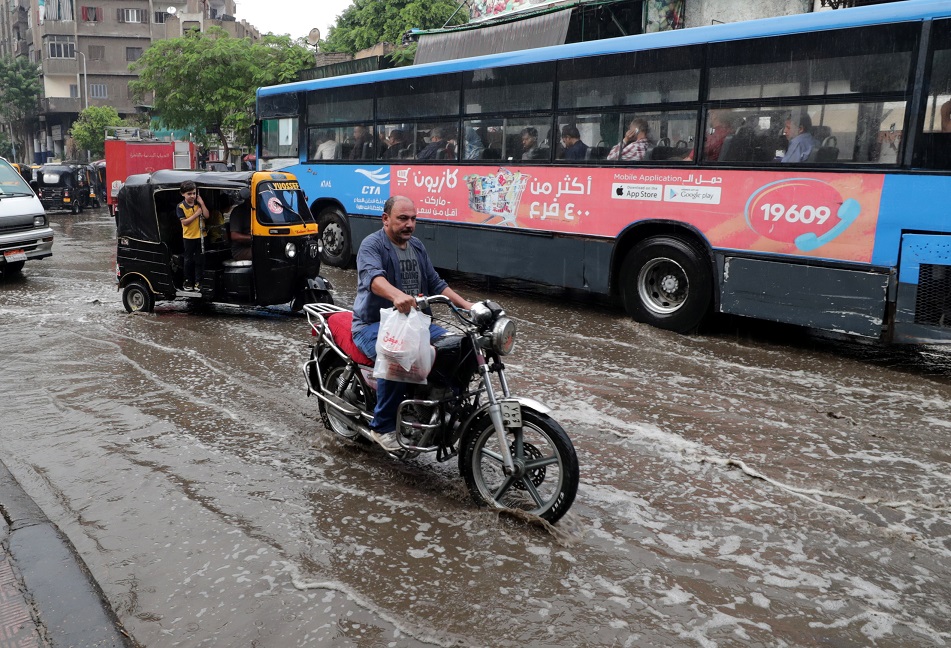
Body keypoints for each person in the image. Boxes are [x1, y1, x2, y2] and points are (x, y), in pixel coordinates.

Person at [351, 195, 474, 451]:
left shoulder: (416, 246)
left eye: (413, 219)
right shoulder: (372, 245)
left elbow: (436, 282)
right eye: (403, 218)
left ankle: (441, 403)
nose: (409, 224)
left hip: (415, 322)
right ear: (385, 219)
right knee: (400, 355)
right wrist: (396, 295)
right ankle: (382, 426)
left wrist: (469, 306)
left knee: (459, 347)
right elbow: (373, 279)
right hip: (374, 325)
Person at [176, 180, 209, 291]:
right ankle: (188, 281)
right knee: (188, 260)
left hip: (200, 235)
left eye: (194, 193)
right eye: (189, 194)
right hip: (189, 236)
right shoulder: (181, 206)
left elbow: (207, 215)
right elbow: (185, 222)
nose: (192, 196)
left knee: (200, 259)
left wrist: (202, 204)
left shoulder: (198, 204)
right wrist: (196, 214)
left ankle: (198, 281)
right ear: (183, 194)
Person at [228, 188, 252, 261]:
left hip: (254, 245)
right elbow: (234, 236)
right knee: (262, 252)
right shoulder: (238, 212)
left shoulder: (259, 211)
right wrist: (252, 238)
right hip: (241, 250)